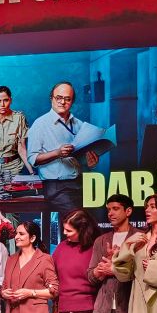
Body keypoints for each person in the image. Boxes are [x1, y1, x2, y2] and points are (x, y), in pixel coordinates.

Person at [26, 82, 99, 223]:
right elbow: (33, 159)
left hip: (80, 183)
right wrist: (57, 153)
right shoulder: (40, 124)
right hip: (56, 187)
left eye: (67, 99)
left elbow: (80, 157)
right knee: (79, 222)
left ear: (72, 101)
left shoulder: (79, 124)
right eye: (58, 98)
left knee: (93, 221)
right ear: (51, 98)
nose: (62, 102)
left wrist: (90, 163)